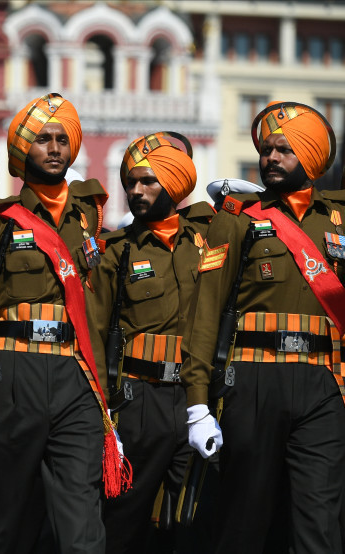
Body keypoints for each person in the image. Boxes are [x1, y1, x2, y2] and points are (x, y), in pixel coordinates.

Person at [0, 93, 125, 553]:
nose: (55, 148)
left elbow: (97, 317)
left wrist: (105, 396)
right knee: (2, 520)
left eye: (63, 139)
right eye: (42, 139)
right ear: (24, 150)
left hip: (75, 379)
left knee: (82, 521)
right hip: (13, 376)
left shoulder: (89, 217)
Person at [180, 101, 345, 553]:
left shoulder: (338, 219)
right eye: (267, 149)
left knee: (321, 523)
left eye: (285, 150)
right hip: (254, 380)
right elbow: (205, 313)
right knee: (244, 521)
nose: (270, 158)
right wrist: (197, 405)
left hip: (323, 385)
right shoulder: (237, 218)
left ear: (311, 157)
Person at [90, 133, 213, 553]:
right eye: (131, 182)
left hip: (199, 400)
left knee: (194, 521)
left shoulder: (209, 241)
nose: (135, 191)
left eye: (148, 181)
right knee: (125, 518)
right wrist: (104, 417)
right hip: (139, 400)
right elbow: (95, 332)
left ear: (176, 183)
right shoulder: (115, 252)